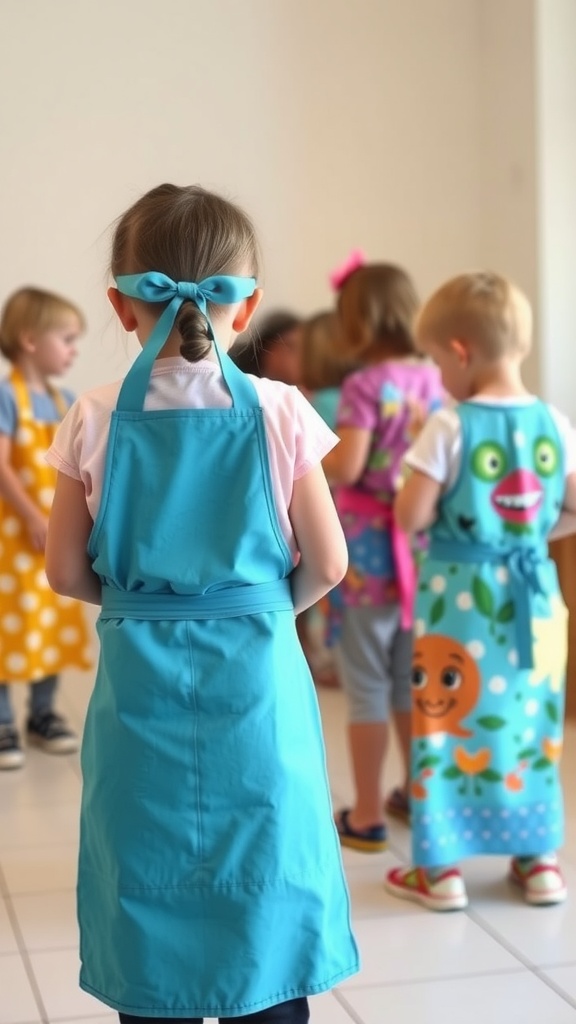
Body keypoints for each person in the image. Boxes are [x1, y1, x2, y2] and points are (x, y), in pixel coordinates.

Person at [45, 183, 359, 1023]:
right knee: (266, 890)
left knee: (147, 890)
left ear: (120, 305)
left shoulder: (91, 417)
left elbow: (64, 572)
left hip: (140, 694)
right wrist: (257, 609)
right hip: (258, 685)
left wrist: (139, 607)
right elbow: (328, 562)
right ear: (246, 306)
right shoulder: (284, 410)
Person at [385, 271, 576, 911]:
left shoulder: (450, 424)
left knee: (445, 719)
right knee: (531, 721)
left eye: (438, 361)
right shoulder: (554, 420)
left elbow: (410, 517)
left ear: (460, 351)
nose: (439, 375)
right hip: (536, 597)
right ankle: (538, 859)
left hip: (459, 604)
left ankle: (439, 870)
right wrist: (532, 532)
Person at [323, 259, 443, 852]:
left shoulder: (365, 385)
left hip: (369, 549)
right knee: (408, 681)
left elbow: (347, 464)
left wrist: (300, 462)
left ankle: (367, 811)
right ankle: (418, 795)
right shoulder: (437, 380)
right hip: (422, 549)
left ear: (360, 321)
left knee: (366, 683)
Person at [0, 286, 92, 770]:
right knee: (6, 626)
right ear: (30, 339)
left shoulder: (66, 400)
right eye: (67, 339)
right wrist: (34, 516)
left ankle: (42, 713)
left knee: (52, 624)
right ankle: (2, 721)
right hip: (11, 542)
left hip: (51, 538)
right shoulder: (4, 395)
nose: (74, 350)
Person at [229, 309, 303, 385]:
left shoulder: (296, 394)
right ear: (267, 343)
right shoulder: (228, 369)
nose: (301, 359)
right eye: (290, 347)